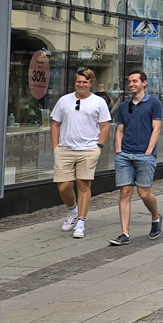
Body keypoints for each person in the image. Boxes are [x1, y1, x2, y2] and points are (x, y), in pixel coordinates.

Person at [51, 68, 111, 239]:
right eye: (79, 81)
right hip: (65, 149)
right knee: (63, 186)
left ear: (91, 83)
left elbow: (105, 126)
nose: (81, 84)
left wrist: (99, 146)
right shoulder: (64, 100)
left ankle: (81, 222)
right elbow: (55, 123)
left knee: (83, 185)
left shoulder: (98, 102)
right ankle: (73, 210)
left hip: (88, 149)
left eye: (85, 82)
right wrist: (55, 146)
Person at [110, 71, 163, 246]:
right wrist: (118, 149)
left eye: (135, 81)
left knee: (144, 193)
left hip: (144, 154)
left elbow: (157, 129)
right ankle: (124, 233)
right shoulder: (124, 106)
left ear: (144, 83)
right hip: (125, 154)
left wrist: (149, 151)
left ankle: (156, 217)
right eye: (129, 81)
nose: (131, 84)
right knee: (125, 192)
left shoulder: (154, 103)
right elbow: (120, 129)